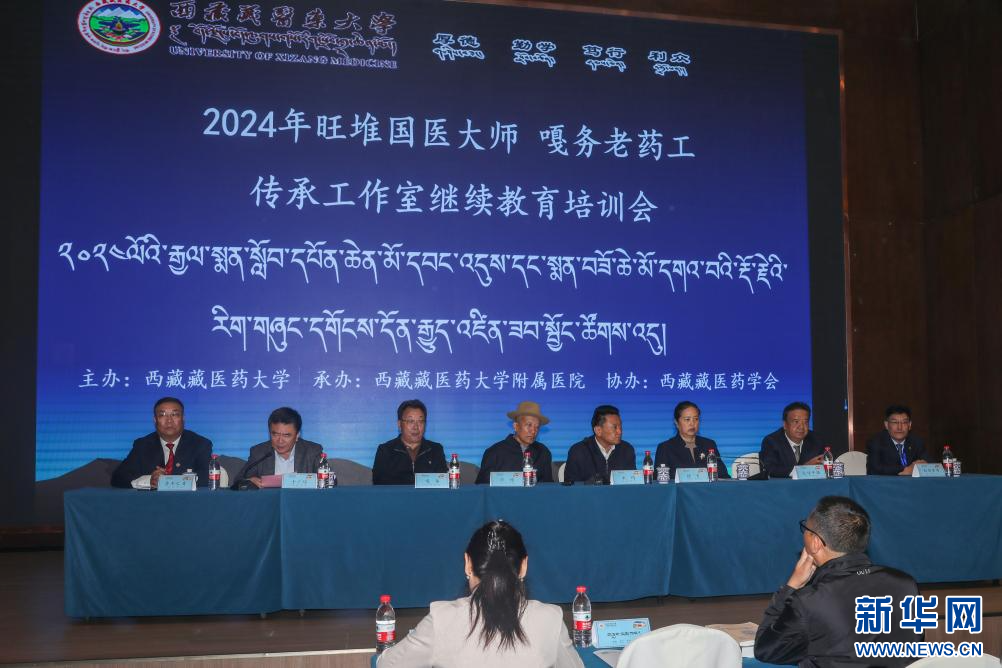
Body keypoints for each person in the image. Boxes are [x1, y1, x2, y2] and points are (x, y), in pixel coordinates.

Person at [377, 520, 583, 668]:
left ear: (468, 563)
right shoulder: (550, 619)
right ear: (524, 566)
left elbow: (387, 664)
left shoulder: (442, 619)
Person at [755, 496, 921, 667]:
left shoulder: (809, 601)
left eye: (806, 529)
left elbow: (765, 650)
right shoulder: (905, 584)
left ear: (815, 543)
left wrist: (791, 587)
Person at [111, 396, 212, 489]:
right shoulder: (143, 445)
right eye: (162, 415)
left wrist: (167, 481)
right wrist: (150, 480)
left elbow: (207, 477)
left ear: (183, 418)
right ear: (155, 420)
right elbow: (118, 477)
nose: (169, 420)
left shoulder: (200, 444)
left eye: (175, 414)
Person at [232, 407, 323, 489]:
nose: (280, 441)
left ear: (297, 435)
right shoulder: (259, 452)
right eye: (275, 434)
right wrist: (249, 481)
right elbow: (237, 481)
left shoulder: (312, 452)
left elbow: (328, 482)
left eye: (286, 435)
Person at [372, 399, 447, 485]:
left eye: (420, 421)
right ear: (399, 424)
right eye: (410, 421)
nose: (416, 427)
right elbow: (379, 481)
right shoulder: (385, 450)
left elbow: (441, 481)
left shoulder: (436, 450)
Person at [476, 401, 554, 484]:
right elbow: (482, 487)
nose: (533, 431)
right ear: (516, 426)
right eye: (529, 425)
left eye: (537, 427)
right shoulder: (495, 452)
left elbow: (548, 486)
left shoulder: (543, 452)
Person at [655, 401, 730, 478]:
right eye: (687, 419)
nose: (692, 423)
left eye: (696, 419)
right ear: (676, 422)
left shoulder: (709, 445)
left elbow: (723, 475)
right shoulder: (665, 448)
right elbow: (659, 479)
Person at [564, 405, 636, 484]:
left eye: (620, 426)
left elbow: (632, 484)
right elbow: (570, 487)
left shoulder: (627, 450)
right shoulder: (578, 451)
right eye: (615, 427)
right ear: (598, 430)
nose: (620, 431)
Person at [759, 402, 825, 478]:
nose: (801, 427)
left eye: (805, 422)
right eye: (796, 422)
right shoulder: (771, 441)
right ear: (785, 425)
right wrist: (803, 469)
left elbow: (825, 466)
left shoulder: (816, 440)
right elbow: (770, 469)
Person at [865, 404, 929, 476]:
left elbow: (930, 464)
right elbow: (873, 470)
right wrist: (908, 469)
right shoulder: (876, 442)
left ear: (910, 425)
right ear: (886, 425)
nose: (899, 427)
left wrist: (922, 466)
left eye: (904, 422)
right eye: (895, 422)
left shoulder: (917, 442)